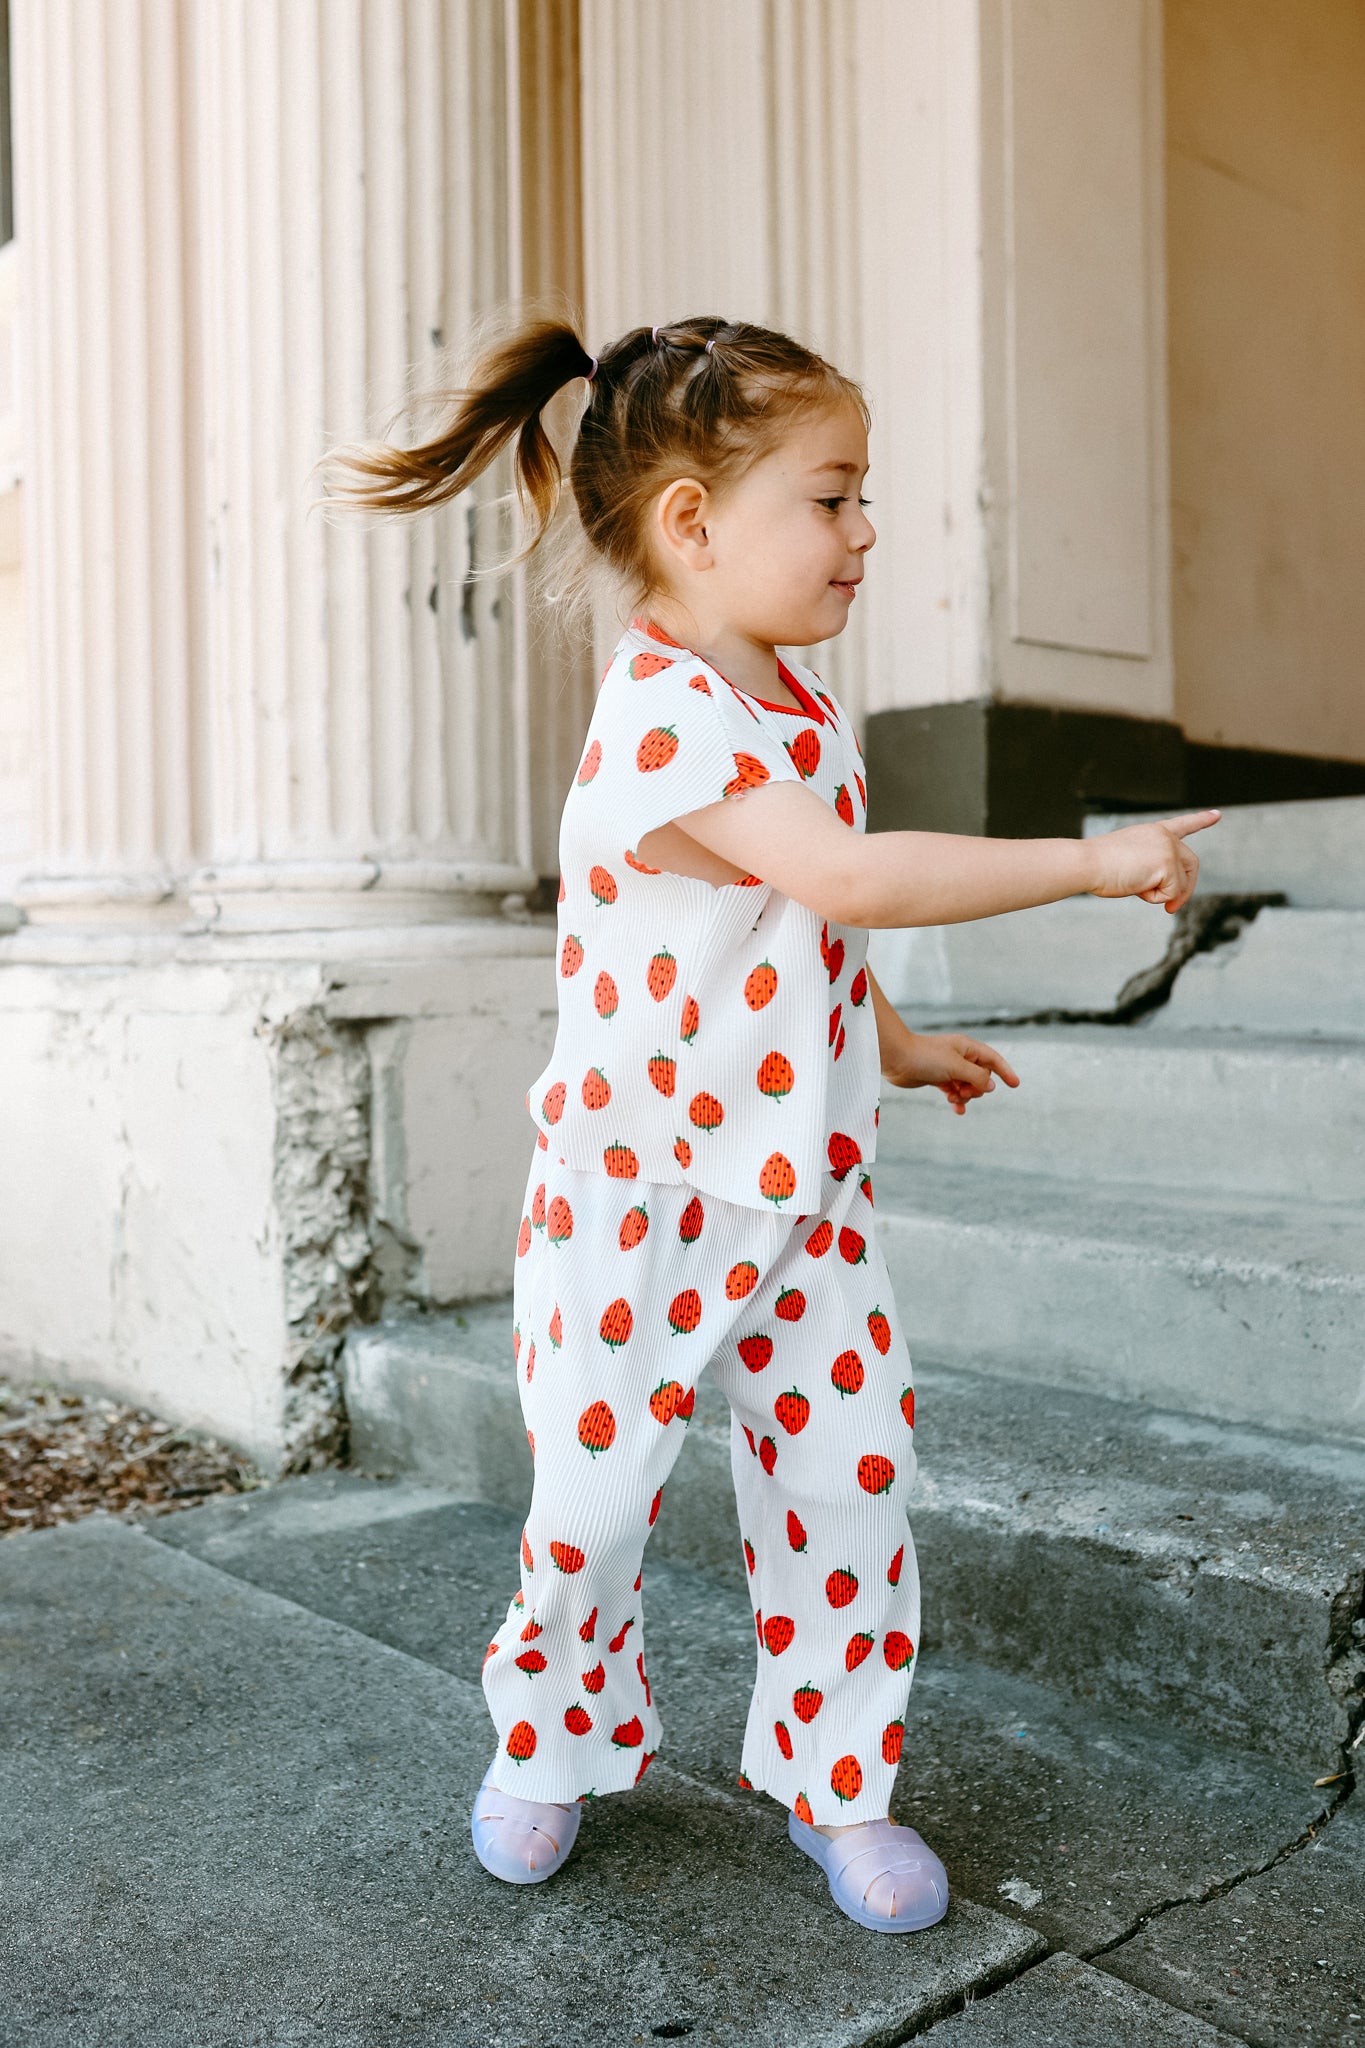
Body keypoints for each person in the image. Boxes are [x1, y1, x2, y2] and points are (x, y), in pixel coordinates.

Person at [321, 314, 1219, 1932]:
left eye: (860, 498)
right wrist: (1089, 861)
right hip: (637, 1197)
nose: (864, 532)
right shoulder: (663, 719)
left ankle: (834, 1783)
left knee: (849, 1486)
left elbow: (806, 926)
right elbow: (851, 876)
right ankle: (551, 1737)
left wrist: (887, 1036)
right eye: (832, 496)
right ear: (689, 523)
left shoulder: (803, 710)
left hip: (801, 1194)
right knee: (589, 1515)